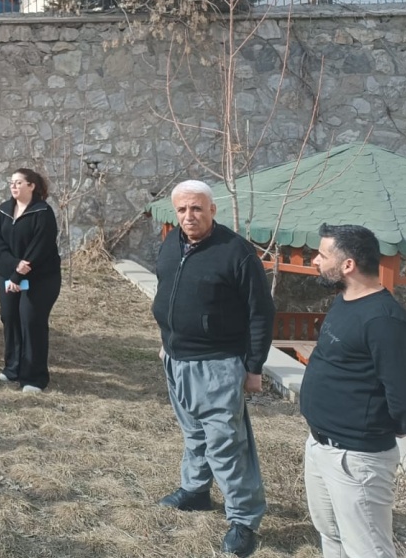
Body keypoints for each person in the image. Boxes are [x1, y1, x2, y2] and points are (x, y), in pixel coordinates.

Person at [151, 179, 273, 558]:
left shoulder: (236, 252)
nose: (189, 216)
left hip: (218, 364)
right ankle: (196, 491)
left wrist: (254, 368)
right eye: (183, 209)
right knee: (193, 434)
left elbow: (260, 312)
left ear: (212, 209)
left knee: (226, 445)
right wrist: (166, 338)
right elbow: (169, 292)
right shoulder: (173, 243)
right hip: (176, 358)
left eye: (197, 208)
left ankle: (243, 520)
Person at [302, 223, 406, 558]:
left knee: (369, 549)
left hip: (356, 459)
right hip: (320, 444)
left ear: (347, 265)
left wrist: (367, 435)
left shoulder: (384, 320)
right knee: (331, 535)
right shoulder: (345, 300)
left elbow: (403, 396)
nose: (315, 261)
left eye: (322, 255)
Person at [0, 168, 61, 392]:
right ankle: (13, 368)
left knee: (31, 322)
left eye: (19, 182)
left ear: (31, 186)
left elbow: (40, 246)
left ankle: (34, 377)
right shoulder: (4, 211)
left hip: (39, 279)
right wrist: (13, 268)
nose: (13, 186)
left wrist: (20, 272)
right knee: (10, 318)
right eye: (11, 182)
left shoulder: (42, 212)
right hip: (8, 276)